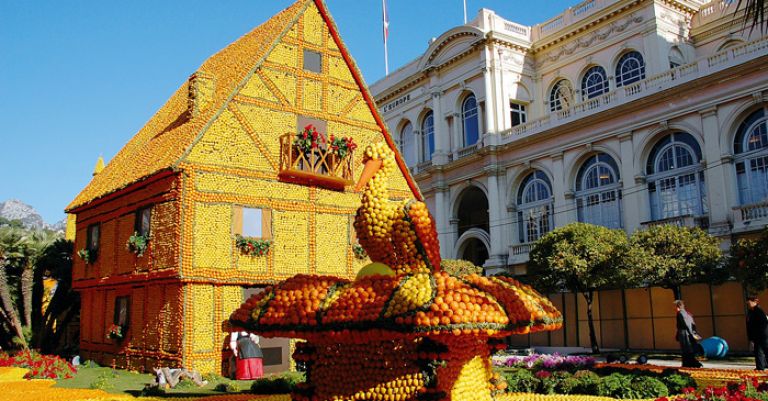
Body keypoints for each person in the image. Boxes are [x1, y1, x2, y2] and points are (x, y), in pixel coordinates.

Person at [675, 300, 703, 368]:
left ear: (679, 306)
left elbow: (684, 324)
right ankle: (691, 362)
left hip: (684, 333)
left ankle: (687, 363)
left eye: (677, 306)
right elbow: (693, 324)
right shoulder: (688, 314)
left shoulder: (680, 313)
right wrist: (694, 333)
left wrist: (689, 333)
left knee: (685, 349)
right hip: (689, 332)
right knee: (689, 348)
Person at [746, 295, 768, 370]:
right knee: (758, 352)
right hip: (756, 336)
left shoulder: (759, 311)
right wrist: (751, 339)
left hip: (763, 336)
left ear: (754, 302)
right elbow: (749, 326)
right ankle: (760, 368)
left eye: (749, 302)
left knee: (766, 350)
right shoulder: (750, 312)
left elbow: (764, 325)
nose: (748, 304)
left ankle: (761, 367)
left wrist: (761, 335)